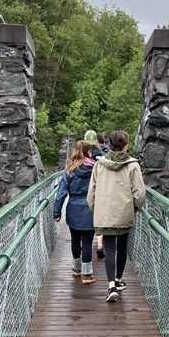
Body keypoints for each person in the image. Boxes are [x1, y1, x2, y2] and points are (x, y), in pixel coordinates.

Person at [87, 130, 146, 302]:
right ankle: (119, 280)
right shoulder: (133, 165)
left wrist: (95, 209)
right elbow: (140, 193)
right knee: (122, 246)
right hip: (124, 211)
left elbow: (91, 191)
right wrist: (136, 207)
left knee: (110, 248)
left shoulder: (99, 165)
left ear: (109, 145)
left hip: (104, 213)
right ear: (126, 145)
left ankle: (111, 285)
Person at [53, 140, 96, 284]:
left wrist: (56, 212)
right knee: (88, 242)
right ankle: (87, 275)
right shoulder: (95, 169)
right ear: (88, 152)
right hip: (90, 208)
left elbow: (60, 194)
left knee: (75, 239)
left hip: (73, 208)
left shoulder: (69, 170)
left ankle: (76, 269)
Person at [84, 129, 106, 258]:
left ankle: (84, 243)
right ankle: (99, 244)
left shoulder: (82, 154)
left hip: (84, 192)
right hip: (100, 190)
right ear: (97, 141)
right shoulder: (102, 155)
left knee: (88, 217)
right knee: (100, 219)